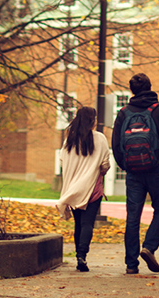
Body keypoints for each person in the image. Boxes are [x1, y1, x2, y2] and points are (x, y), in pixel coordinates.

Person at [112, 73, 159, 274]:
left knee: (133, 216)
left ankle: (131, 265)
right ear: (150, 87)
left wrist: (125, 165)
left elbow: (116, 144)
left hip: (133, 172)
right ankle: (149, 247)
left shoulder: (123, 113)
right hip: (154, 169)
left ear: (132, 90)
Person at [56, 106, 110, 272]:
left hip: (73, 189)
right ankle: (82, 256)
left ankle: (79, 255)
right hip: (92, 189)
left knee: (78, 224)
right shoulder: (100, 138)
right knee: (88, 224)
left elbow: (63, 163)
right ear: (92, 120)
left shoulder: (69, 141)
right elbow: (105, 165)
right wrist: (98, 170)